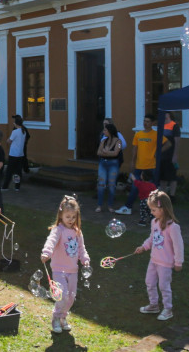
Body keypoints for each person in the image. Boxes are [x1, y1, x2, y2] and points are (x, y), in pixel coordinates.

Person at [41, 195, 91, 334]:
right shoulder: (58, 230)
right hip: (58, 269)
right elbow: (50, 241)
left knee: (71, 297)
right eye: (68, 216)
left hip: (73, 270)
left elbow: (81, 248)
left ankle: (63, 318)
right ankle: (56, 318)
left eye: (73, 217)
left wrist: (85, 258)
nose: (71, 220)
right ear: (61, 215)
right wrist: (46, 253)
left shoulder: (77, 232)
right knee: (62, 295)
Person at [135, 190, 184, 321]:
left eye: (153, 209)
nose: (151, 212)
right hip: (154, 260)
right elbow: (152, 238)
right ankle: (154, 305)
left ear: (163, 209)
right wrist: (144, 247)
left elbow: (178, 246)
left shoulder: (173, 227)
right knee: (149, 282)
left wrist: (178, 262)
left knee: (164, 286)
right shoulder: (154, 223)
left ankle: (168, 309)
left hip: (165, 264)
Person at [96, 122, 122, 213]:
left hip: (113, 164)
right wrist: (106, 152)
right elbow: (98, 152)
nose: (104, 132)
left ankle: (110, 205)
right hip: (103, 163)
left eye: (105, 130)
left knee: (111, 185)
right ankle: (99, 205)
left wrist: (105, 152)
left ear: (110, 131)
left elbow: (116, 152)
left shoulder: (118, 141)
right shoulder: (103, 140)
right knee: (101, 184)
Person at [159, 112, 181, 196]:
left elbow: (177, 141)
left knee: (172, 177)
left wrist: (175, 155)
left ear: (170, 116)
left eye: (166, 117)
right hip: (162, 155)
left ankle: (172, 196)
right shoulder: (161, 126)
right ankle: (163, 195)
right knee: (162, 178)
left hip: (170, 155)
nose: (164, 119)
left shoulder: (174, 126)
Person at [4, 115, 26, 191]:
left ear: (15, 123)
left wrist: (7, 140)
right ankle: (17, 186)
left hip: (13, 154)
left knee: (9, 171)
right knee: (18, 171)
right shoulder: (24, 131)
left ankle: (5, 186)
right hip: (20, 154)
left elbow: (9, 141)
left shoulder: (15, 132)